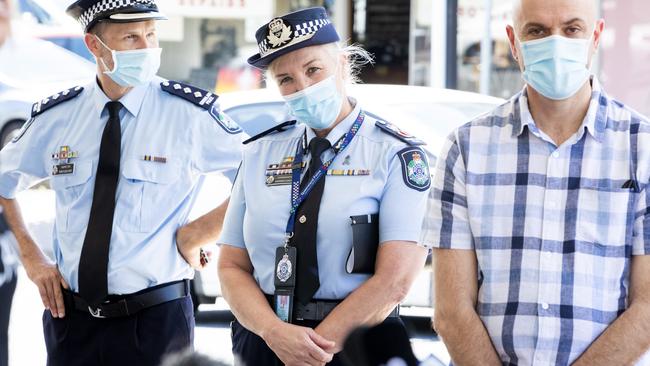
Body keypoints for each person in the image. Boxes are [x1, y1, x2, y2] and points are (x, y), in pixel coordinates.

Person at [0, 0, 244, 364]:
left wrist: (197, 234)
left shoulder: (189, 114)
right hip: (71, 321)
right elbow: (4, 182)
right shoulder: (58, 116)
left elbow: (259, 178)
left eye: (151, 34)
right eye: (131, 37)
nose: (147, 48)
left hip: (156, 320)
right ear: (94, 45)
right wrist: (32, 258)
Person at [422, 0, 650, 365]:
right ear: (514, 42)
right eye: (537, 31)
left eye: (572, 29)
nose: (556, 43)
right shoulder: (466, 148)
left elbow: (648, 308)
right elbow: (452, 310)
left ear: (595, 37)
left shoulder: (643, 148)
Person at [214, 7, 429, 366]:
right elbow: (231, 266)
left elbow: (397, 278)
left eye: (313, 70)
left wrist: (314, 349)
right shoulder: (259, 153)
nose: (302, 87)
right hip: (265, 341)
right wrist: (274, 333)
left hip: (353, 343)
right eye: (285, 80)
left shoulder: (395, 154)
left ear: (343, 66)